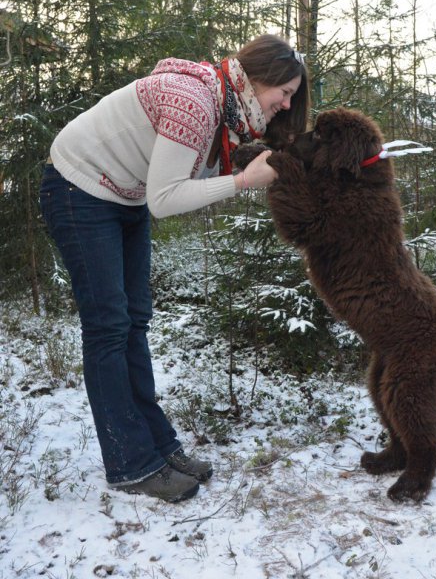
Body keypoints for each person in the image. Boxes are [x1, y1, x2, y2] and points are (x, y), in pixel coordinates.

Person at [39, 34, 309, 503]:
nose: (286, 105)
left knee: (135, 320)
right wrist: (244, 181)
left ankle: (158, 445)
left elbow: (174, 182)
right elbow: (166, 200)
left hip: (123, 195)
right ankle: (131, 462)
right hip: (77, 188)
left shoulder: (225, 111)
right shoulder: (196, 103)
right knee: (108, 326)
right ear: (257, 76)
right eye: (284, 92)